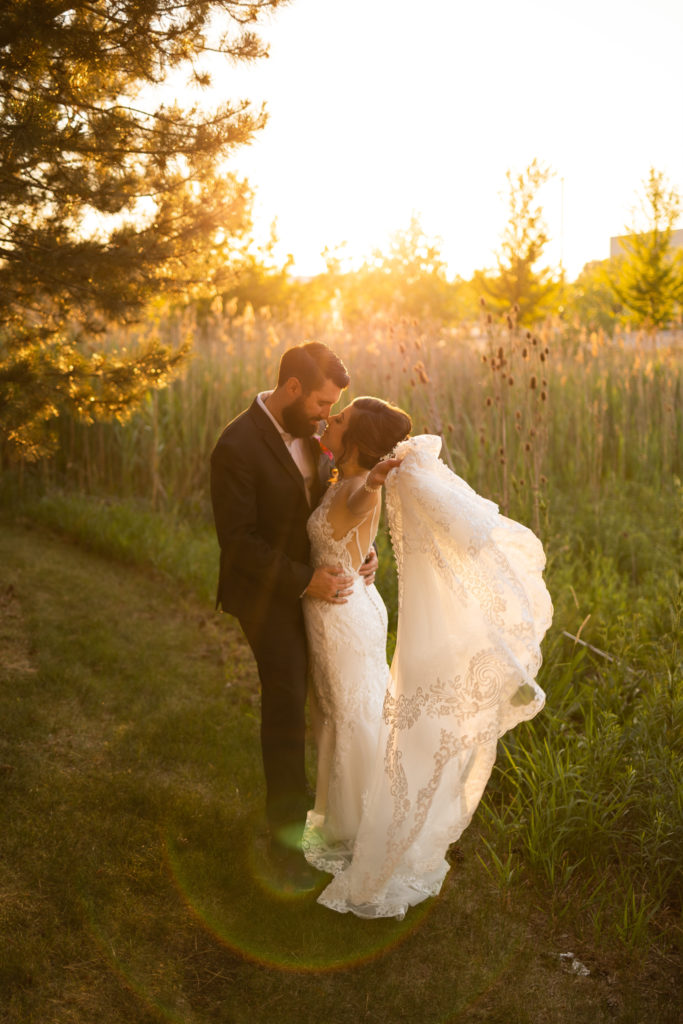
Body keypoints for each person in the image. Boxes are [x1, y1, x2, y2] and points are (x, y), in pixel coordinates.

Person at [302, 397, 553, 918]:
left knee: (350, 721)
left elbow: (364, 496)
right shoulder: (337, 476)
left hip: (341, 617)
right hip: (349, 606)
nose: (331, 421)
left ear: (356, 441)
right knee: (349, 716)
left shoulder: (358, 487)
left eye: (341, 419)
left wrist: (373, 480)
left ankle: (355, 834)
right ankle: (353, 821)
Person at [210, 342, 377, 892]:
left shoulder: (314, 432)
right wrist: (307, 579)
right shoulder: (235, 446)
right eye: (323, 402)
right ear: (292, 389)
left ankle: (337, 814)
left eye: (334, 406)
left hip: (318, 585)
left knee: (330, 696)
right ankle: (284, 836)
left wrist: (356, 551)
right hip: (265, 591)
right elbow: (239, 543)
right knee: (286, 694)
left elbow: (331, 510)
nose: (328, 415)